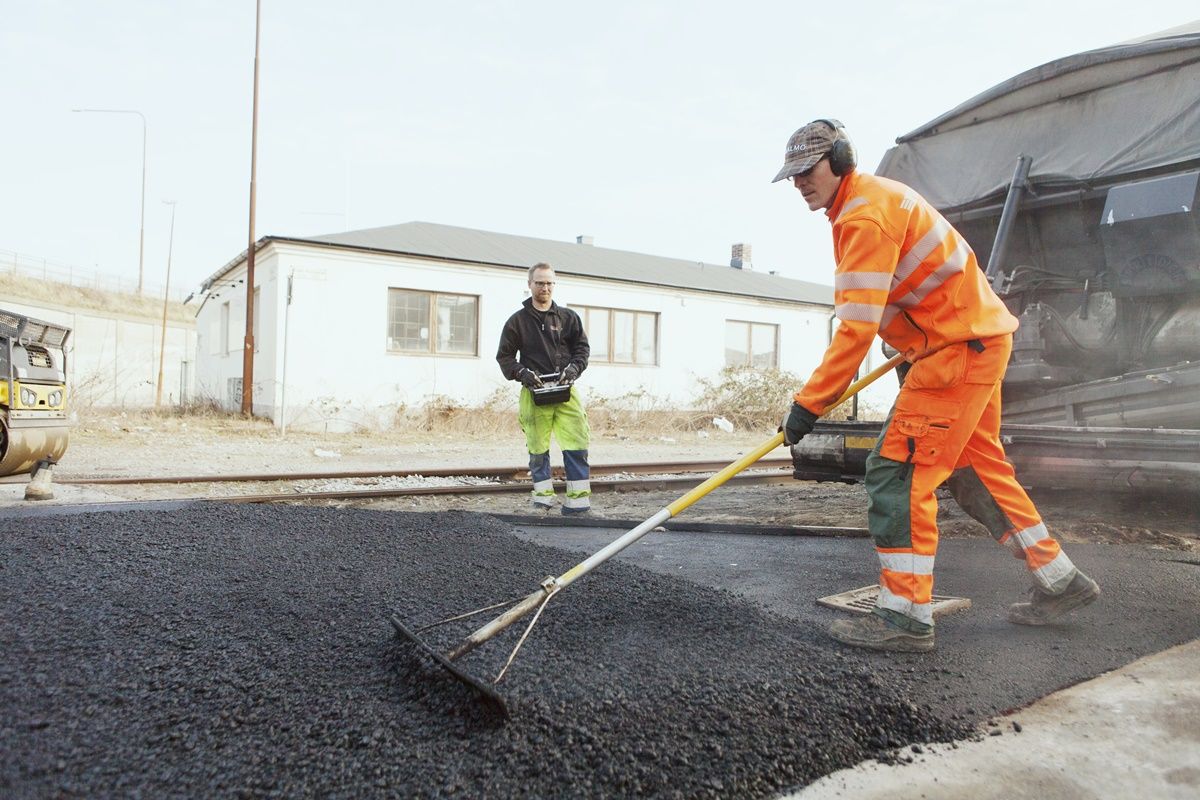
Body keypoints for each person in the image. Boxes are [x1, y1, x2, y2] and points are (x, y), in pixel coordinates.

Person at [772, 119, 1099, 652]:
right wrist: (908, 344)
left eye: (807, 171)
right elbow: (899, 299)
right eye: (792, 176)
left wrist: (809, 404)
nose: (799, 183)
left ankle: (904, 617)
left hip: (955, 351)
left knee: (896, 476)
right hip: (970, 342)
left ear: (841, 158)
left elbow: (855, 325)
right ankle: (1060, 580)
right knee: (975, 471)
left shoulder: (864, 215)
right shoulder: (870, 202)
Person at [496, 262, 592, 514]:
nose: (545, 287)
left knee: (577, 443)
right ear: (529, 285)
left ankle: (578, 502)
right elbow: (504, 357)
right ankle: (543, 499)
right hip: (534, 393)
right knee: (537, 447)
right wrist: (522, 373)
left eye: (549, 282)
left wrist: (573, 369)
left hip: (565, 391)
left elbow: (582, 349)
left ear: (554, 284)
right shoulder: (517, 322)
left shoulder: (568, 318)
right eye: (539, 282)